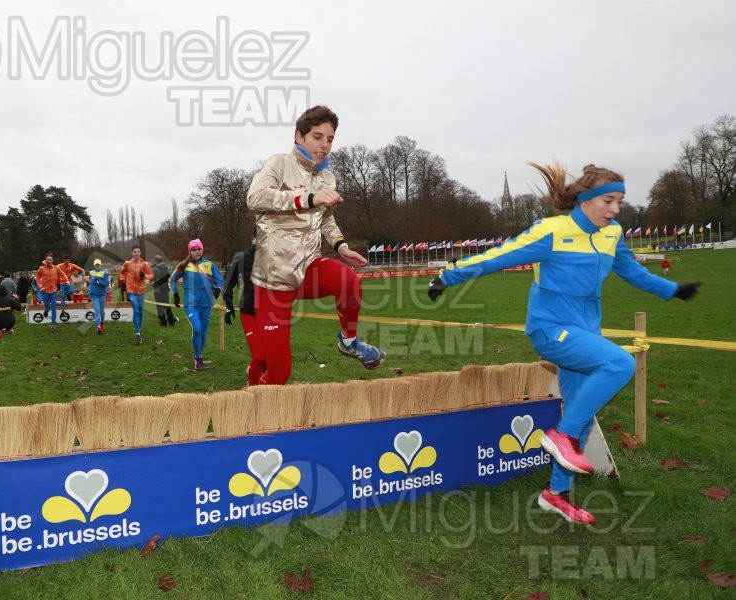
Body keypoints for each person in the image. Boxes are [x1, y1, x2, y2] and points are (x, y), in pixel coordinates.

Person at [428, 162, 701, 525]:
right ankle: (561, 435)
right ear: (586, 200)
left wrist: (672, 290)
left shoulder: (612, 233)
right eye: (608, 200)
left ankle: (556, 494)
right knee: (620, 364)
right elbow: (499, 257)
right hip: (549, 330)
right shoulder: (553, 231)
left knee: (581, 413)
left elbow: (631, 271)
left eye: (620, 201)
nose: (616, 209)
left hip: (586, 335)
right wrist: (448, 276)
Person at [246, 105, 385, 385]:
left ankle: (348, 341)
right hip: (273, 280)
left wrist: (341, 246)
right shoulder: (279, 164)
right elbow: (255, 197)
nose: (324, 145)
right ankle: (251, 394)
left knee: (347, 279)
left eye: (330, 139)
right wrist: (309, 198)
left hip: (307, 267)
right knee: (278, 374)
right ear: (299, 136)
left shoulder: (327, 177)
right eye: (317, 137)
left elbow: (326, 221)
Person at [169, 239, 223, 369]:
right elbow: (172, 280)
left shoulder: (209, 265)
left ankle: (197, 355)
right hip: (191, 304)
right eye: (194, 249)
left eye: (199, 249)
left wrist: (218, 289)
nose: (197, 251)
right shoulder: (184, 265)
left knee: (203, 332)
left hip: (206, 304)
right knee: (197, 329)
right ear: (190, 251)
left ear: (202, 249)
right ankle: (198, 357)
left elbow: (220, 281)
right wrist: (175, 294)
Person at [222, 241, 266, 385]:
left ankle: (255, 372)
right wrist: (229, 306)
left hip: (269, 313)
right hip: (249, 311)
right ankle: (252, 390)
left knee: (268, 358)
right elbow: (228, 283)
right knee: (258, 356)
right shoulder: (242, 258)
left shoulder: (276, 257)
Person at [119, 246, 154, 344]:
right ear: (132, 253)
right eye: (135, 252)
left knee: (141, 312)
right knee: (136, 310)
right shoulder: (127, 263)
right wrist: (122, 280)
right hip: (131, 290)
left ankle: (138, 328)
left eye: (138, 251)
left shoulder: (144, 264)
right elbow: (122, 272)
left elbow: (151, 275)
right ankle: (137, 333)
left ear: (140, 253)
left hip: (141, 290)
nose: (137, 253)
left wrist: (145, 276)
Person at [36, 254, 67, 332]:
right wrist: (40, 286)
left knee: (53, 308)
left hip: (53, 291)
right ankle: (46, 310)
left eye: (50, 260)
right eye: (48, 260)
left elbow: (63, 274)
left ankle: (53, 325)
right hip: (44, 291)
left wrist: (67, 280)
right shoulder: (41, 268)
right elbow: (37, 278)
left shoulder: (56, 268)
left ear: (52, 261)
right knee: (48, 307)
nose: (49, 261)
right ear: (45, 261)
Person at [151, 255, 178, 327]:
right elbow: (169, 276)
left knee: (159, 307)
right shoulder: (166, 267)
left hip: (157, 290)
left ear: (156, 261)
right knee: (167, 305)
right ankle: (172, 321)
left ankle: (163, 323)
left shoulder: (155, 269)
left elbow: (152, 279)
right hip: (165, 289)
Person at [88, 258, 111, 334]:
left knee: (101, 311)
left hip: (102, 294)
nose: (97, 265)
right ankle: (98, 327)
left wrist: (99, 282)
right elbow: (90, 282)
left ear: (100, 265)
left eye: (98, 264)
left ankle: (102, 322)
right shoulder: (91, 273)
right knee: (97, 311)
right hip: (94, 294)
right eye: (96, 264)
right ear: (94, 265)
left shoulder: (104, 273)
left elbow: (106, 284)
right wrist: (90, 289)